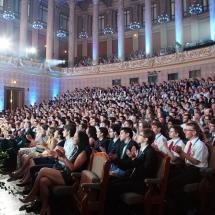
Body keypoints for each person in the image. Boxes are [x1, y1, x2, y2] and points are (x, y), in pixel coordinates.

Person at [19, 131, 91, 215]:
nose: (73, 138)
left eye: (75, 137)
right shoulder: (77, 149)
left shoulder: (83, 153)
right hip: (65, 172)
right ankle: (44, 207)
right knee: (43, 181)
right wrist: (58, 156)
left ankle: (31, 195)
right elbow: (68, 163)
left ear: (80, 139)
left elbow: (72, 168)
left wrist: (63, 157)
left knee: (42, 170)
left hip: (71, 178)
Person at [106, 129, 158, 213]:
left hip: (141, 183)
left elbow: (146, 169)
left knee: (112, 187)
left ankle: (113, 211)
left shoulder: (150, 152)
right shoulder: (142, 149)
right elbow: (132, 163)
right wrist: (116, 160)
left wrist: (132, 162)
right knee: (109, 181)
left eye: (140, 135)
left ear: (146, 139)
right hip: (132, 178)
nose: (137, 136)